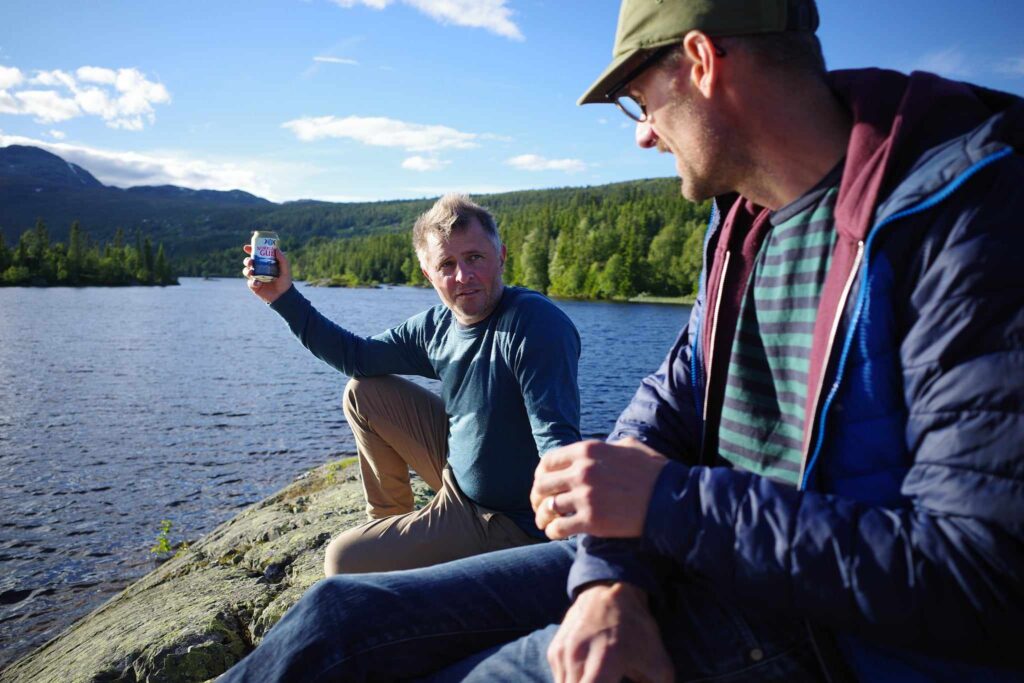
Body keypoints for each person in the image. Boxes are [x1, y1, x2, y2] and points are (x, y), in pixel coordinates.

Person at [224, 0, 1024, 680]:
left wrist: (665, 503)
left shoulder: (967, 219)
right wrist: (611, 576)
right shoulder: (745, 222)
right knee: (337, 617)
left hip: (827, 634)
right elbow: (663, 410)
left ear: (702, 63)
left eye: (641, 102)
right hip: (695, 556)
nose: (644, 137)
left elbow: (986, 577)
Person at [242, 193, 581, 575]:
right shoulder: (437, 327)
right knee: (364, 393)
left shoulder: (535, 325)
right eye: (447, 264)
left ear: (500, 256)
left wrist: (581, 553)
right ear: (428, 274)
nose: (463, 276)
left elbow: (555, 437)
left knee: (343, 561)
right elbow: (357, 357)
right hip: (458, 474)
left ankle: (401, 558)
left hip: (505, 519)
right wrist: (283, 297)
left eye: (475, 258)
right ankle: (389, 524)